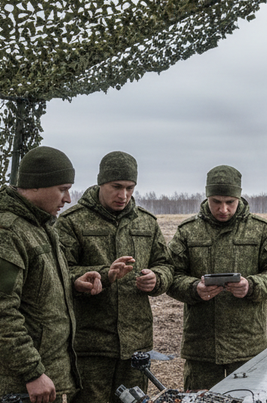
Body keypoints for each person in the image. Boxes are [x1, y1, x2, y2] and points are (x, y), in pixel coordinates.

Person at [0, 146, 103, 403]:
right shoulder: (4, 232)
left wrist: (72, 284)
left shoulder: (38, 226)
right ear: (36, 185)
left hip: (45, 382)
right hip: (20, 389)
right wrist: (32, 371)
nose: (68, 199)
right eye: (62, 189)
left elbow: (32, 288)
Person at [55, 151, 173, 403]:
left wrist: (156, 278)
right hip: (91, 345)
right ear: (101, 183)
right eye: (116, 187)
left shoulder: (146, 222)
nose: (123, 195)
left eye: (130, 188)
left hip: (136, 345)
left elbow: (165, 265)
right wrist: (101, 276)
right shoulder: (72, 222)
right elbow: (59, 272)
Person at [166, 165, 267, 390]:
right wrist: (194, 288)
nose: (223, 209)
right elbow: (171, 276)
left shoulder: (260, 230)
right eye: (216, 201)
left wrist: (251, 286)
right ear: (207, 197)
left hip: (248, 346)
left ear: (239, 198)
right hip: (202, 348)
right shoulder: (188, 231)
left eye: (230, 202)